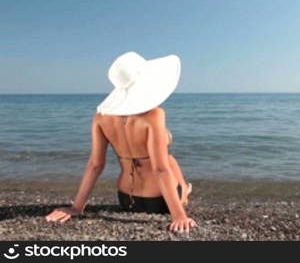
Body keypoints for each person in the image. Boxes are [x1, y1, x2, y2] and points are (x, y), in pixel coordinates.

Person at [45, 51, 196, 233]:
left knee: (167, 160)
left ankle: (184, 191)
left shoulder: (101, 117)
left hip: (126, 199)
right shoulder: (154, 115)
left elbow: (95, 165)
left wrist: (77, 207)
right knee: (170, 160)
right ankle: (184, 195)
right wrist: (179, 215)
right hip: (159, 201)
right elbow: (160, 168)